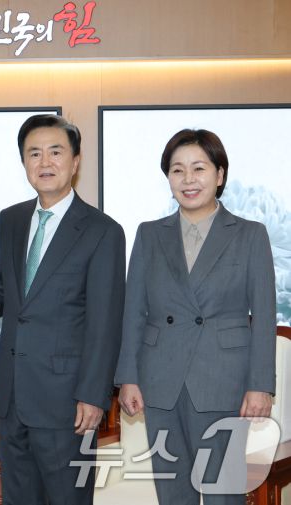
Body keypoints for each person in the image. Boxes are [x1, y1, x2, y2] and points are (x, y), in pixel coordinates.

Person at [0, 114, 125, 505]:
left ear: (75, 161)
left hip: (69, 402)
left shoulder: (102, 230)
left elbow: (105, 323)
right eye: (34, 153)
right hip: (13, 396)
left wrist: (94, 396)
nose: (44, 162)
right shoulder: (12, 220)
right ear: (24, 162)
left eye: (56, 152)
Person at [114, 128, 276, 505]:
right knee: (172, 495)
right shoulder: (149, 235)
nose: (188, 179)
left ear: (220, 175)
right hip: (160, 382)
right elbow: (134, 312)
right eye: (178, 170)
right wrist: (128, 378)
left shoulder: (250, 235)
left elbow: (265, 315)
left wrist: (260, 385)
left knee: (223, 494)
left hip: (224, 382)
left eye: (199, 168)